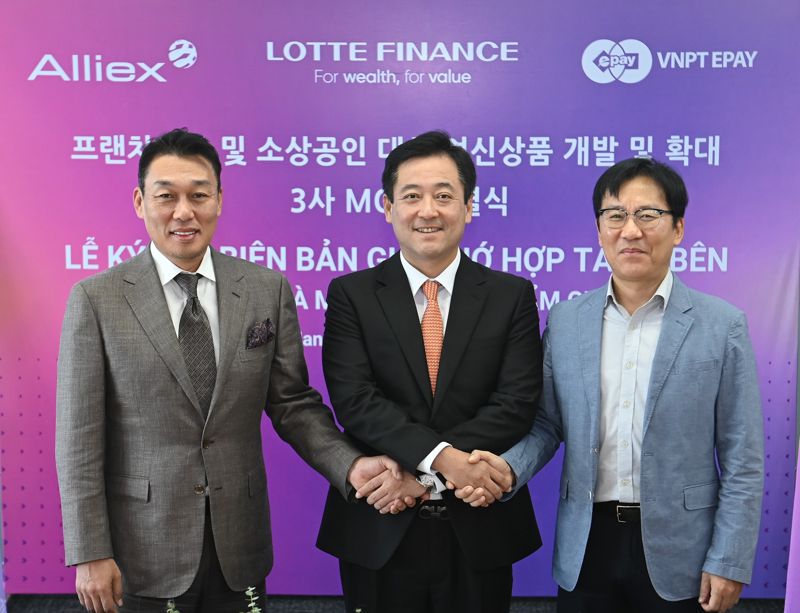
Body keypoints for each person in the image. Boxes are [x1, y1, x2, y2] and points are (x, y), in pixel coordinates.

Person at [56, 128, 407, 613]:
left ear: (219, 200)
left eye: (199, 195)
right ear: (140, 202)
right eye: (166, 196)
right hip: (141, 547)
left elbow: (292, 405)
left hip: (239, 542)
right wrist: (90, 551)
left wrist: (349, 465)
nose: (184, 212)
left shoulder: (265, 290)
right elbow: (78, 441)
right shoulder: (97, 300)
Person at [459, 158, 764, 613]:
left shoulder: (722, 325)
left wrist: (730, 559)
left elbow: (743, 456)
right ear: (600, 230)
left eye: (648, 215)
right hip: (587, 545)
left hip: (683, 550)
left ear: (678, 229)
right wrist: (507, 470)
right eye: (616, 215)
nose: (631, 230)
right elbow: (547, 424)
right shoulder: (567, 321)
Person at [316, 130, 544, 613]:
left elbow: (515, 404)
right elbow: (356, 402)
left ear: (468, 207)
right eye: (411, 196)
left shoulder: (512, 295)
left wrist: (424, 478)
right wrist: (445, 459)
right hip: (379, 526)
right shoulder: (352, 295)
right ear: (387, 207)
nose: (428, 211)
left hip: (478, 530)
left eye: (443, 196)